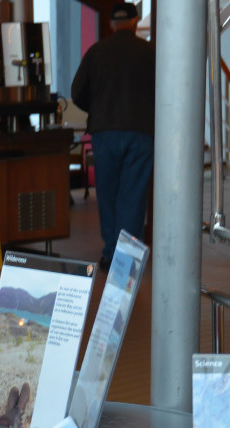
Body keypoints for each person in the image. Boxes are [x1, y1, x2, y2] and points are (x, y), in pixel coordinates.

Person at [70, 2, 156, 270]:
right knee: (133, 195)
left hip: (104, 131)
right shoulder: (150, 52)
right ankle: (127, 260)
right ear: (135, 21)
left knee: (106, 194)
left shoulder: (97, 52)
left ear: (110, 24)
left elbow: (76, 92)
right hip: (141, 131)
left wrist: (97, 108)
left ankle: (109, 253)